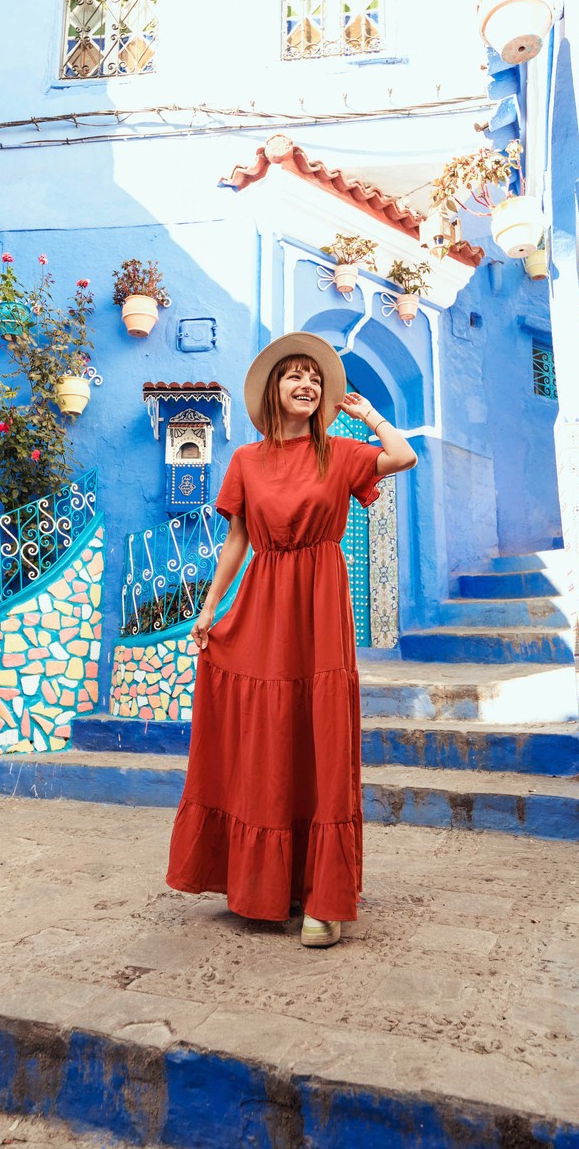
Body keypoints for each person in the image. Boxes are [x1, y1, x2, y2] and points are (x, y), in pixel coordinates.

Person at [165, 332, 418, 948]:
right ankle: (262, 884)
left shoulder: (341, 453)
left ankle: (324, 901)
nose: (306, 385)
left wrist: (368, 414)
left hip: (320, 604)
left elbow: (404, 457)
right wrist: (207, 609)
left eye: (315, 378)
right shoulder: (246, 461)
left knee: (319, 735)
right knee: (268, 732)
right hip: (262, 604)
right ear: (274, 391)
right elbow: (237, 543)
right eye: (294, 377)